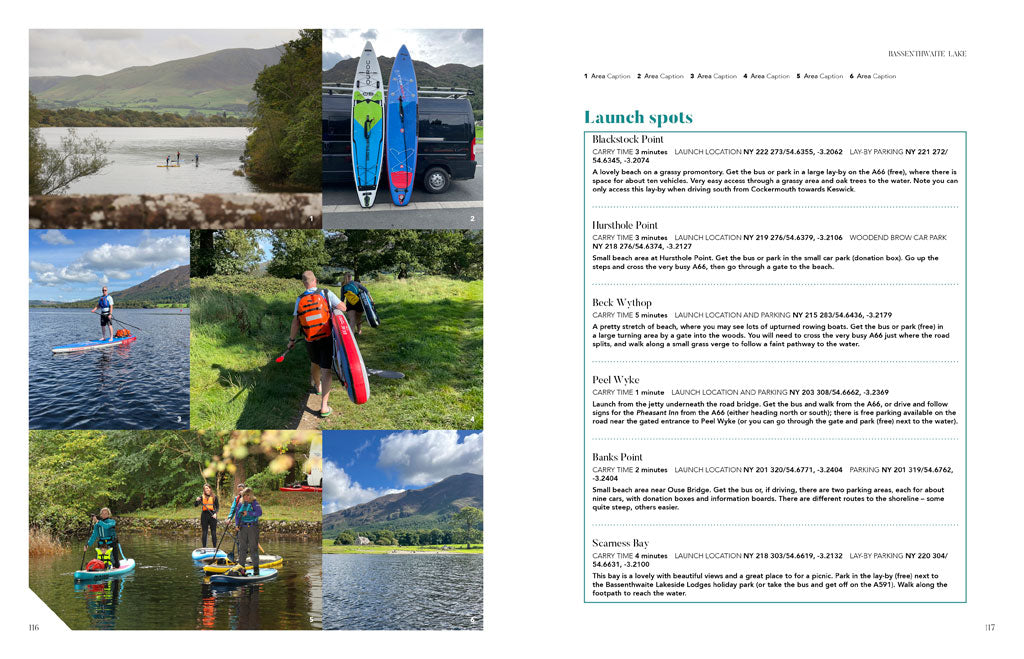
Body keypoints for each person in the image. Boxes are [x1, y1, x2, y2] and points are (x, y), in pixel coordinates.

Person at [289, 271, 346, 417]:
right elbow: (343, 308)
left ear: (303, 283)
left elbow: (296, 322)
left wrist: (291, 340)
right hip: (326, 337)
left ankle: (318, 387)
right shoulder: (326, 293)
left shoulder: (300, 298)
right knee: (326, 370)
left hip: (310, 339)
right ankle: (324, 406)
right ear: (316, 280)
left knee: (314, 363)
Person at [230, 487, 263, 574]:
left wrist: (249, 513)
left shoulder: (254, 503)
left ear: (251, 496)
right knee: (242, 548)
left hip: (252, 527)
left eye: (247, 495)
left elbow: (259, 513)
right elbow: (237, 515)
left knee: (253, 548)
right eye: (244, 495)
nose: (245, 497)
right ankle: (241, 568)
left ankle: (256, 569)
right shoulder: (240, 504)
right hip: (242, 527)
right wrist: (237, 525)